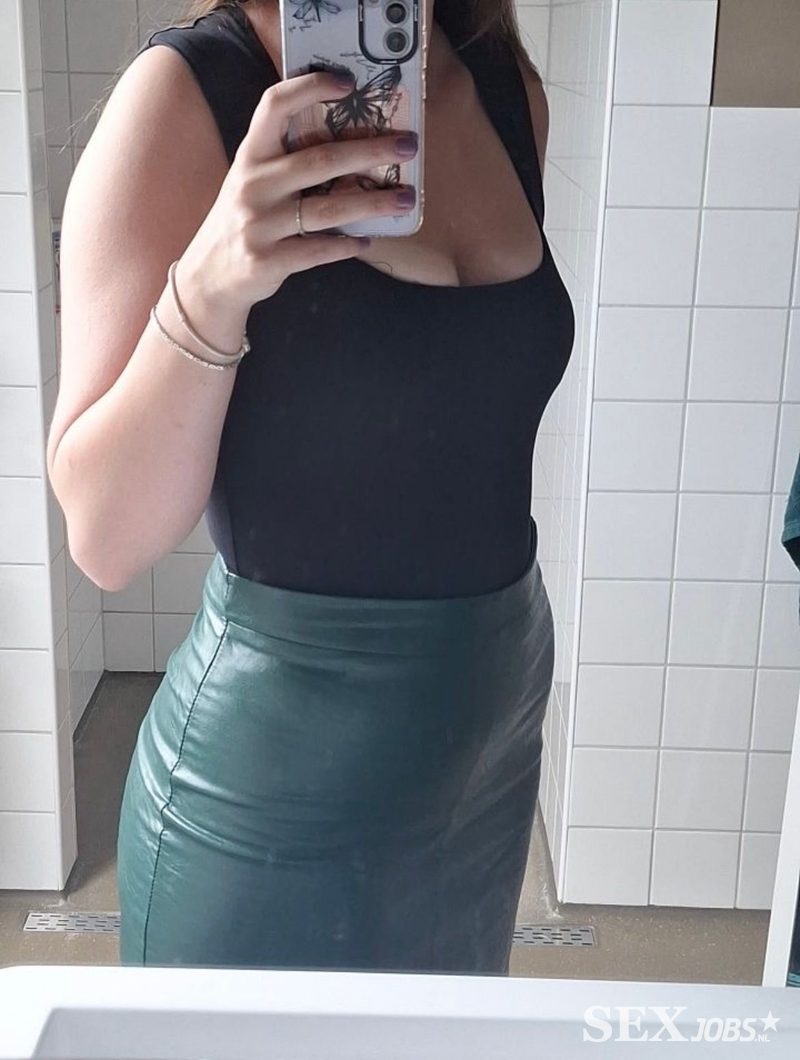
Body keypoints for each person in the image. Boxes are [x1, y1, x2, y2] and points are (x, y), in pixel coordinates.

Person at [46, 0, 575, 974]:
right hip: (269, 791)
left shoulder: (503, 88)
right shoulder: (183, 99)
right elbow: (106, 539)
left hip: (483, 760)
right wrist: (211, 287)